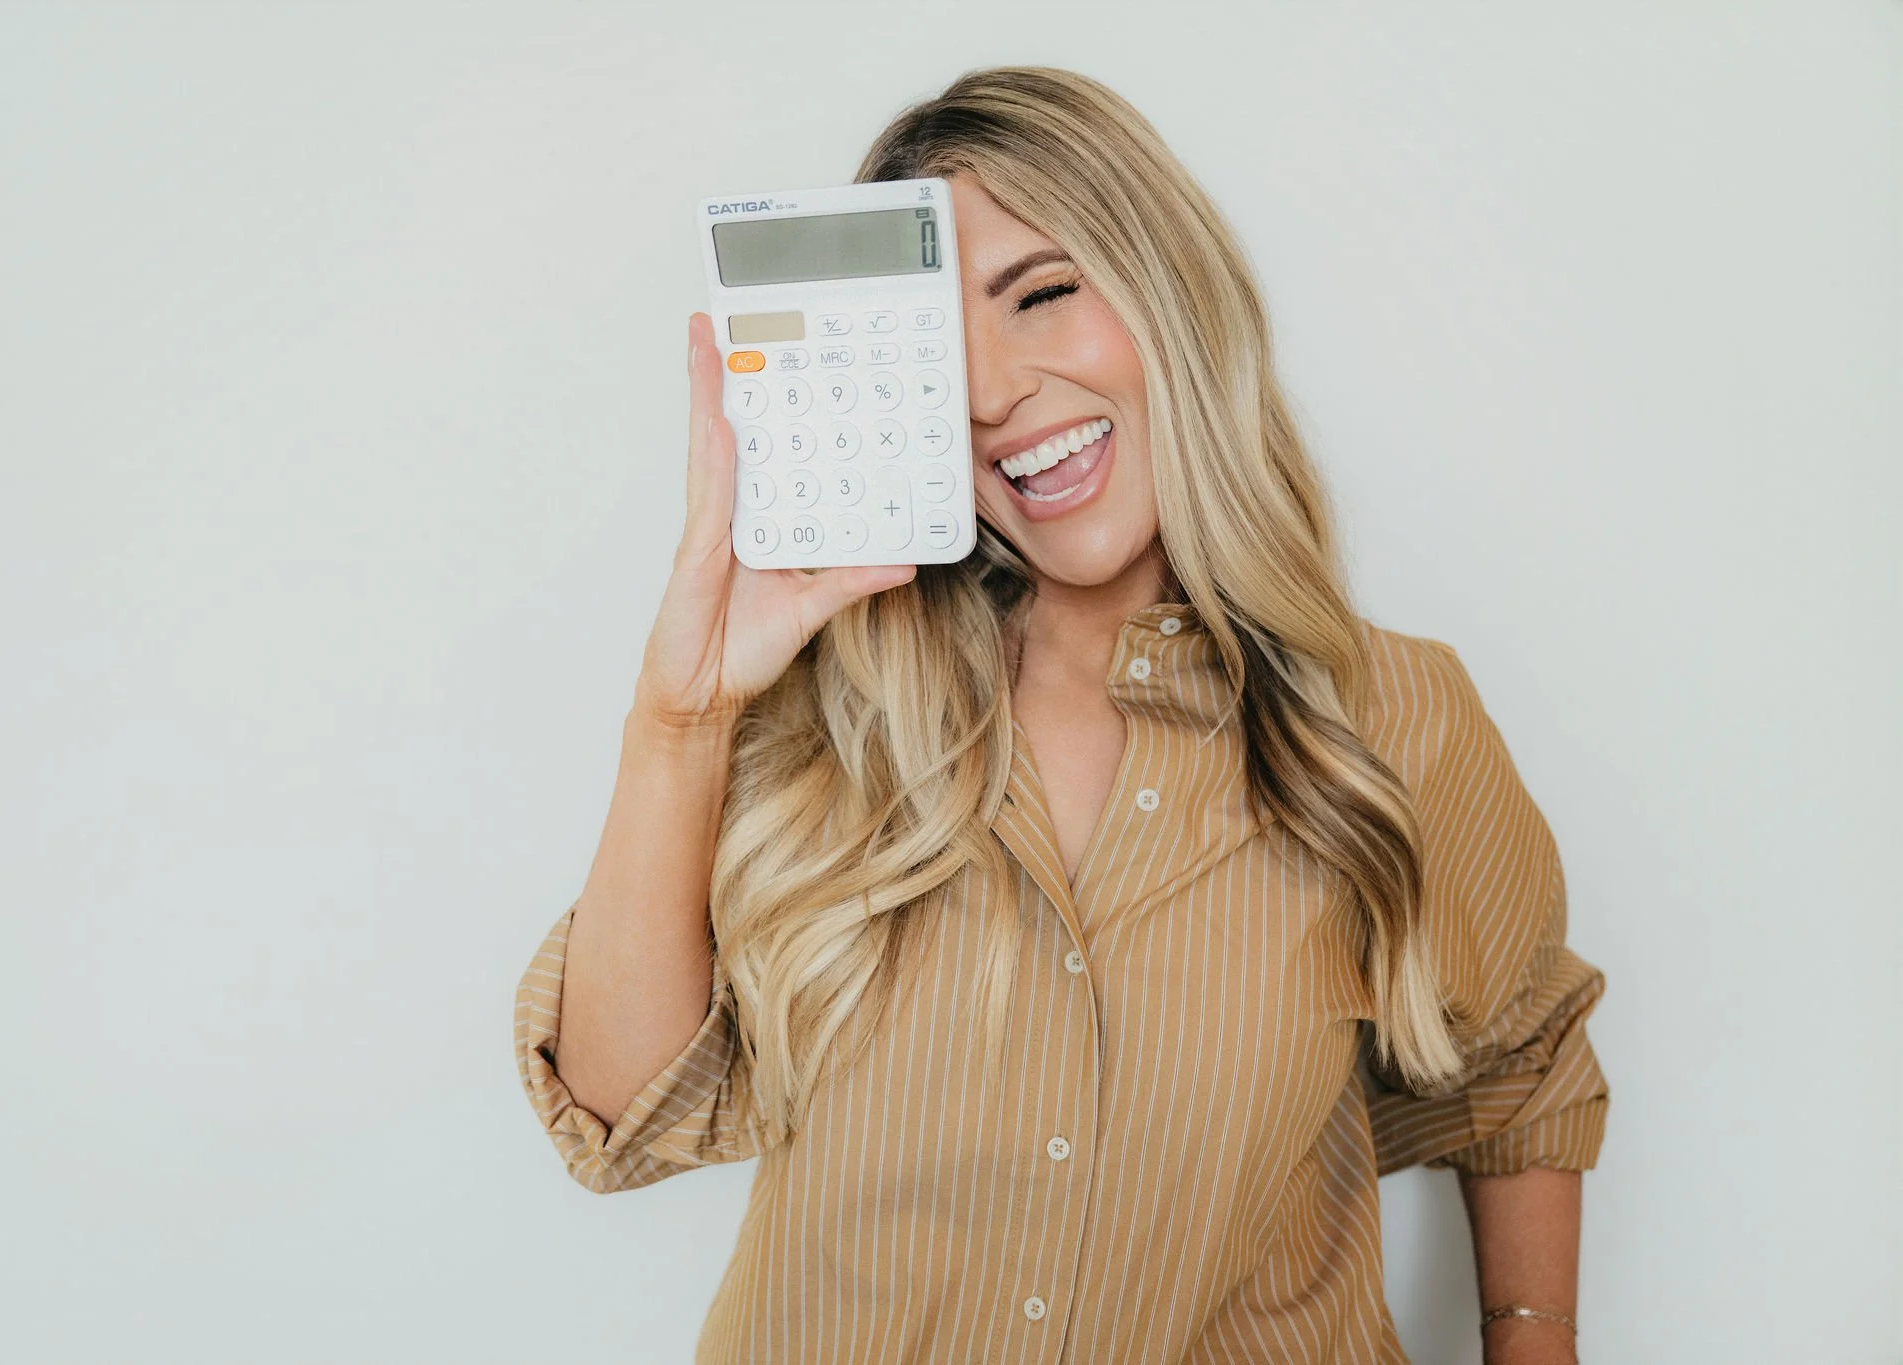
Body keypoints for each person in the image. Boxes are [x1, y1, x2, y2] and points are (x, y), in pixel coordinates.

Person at [514, 65, 1609, 1365]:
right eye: (939, 356)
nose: (991, 395)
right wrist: (679, 719)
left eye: (1042, 296)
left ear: (1169, 291)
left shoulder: (1394, 719)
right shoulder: (829, 716)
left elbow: (1520, 1064)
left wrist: (1530, 1338)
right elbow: (617, 1119)